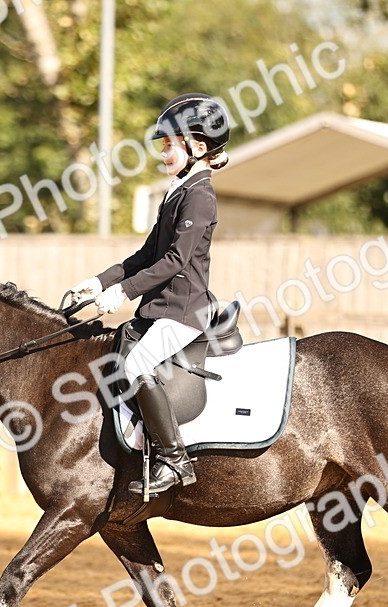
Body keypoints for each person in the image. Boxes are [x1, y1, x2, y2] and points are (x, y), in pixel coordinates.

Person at [68, 93, 230, 494]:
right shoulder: (178, 189)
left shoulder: (200, 195)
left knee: (137, 364)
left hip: (184, 310)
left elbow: (175, 260)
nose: (163, 152)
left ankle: (174, 460)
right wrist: (100, 281)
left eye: (169, 144)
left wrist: (123, 292)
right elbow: (146, 254)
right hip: (161, 307)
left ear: (198, 147)